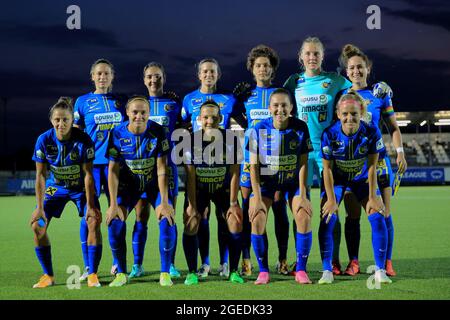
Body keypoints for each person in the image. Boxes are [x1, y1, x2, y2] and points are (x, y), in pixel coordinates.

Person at [337, 44, 407, 277]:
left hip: (378, 162)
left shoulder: (379, 94)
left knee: (384, 212)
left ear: (368, 69)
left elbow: (393, 128)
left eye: (360, 67)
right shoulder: (343, 97)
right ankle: (353, 262)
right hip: (351, 165)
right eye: (352, 68)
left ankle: (386, 262)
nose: (356, 71)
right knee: (353, 215)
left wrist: (400, 151)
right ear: (346, 72)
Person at [318, 91, 392, 285]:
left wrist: (373, 196)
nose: (349, 118)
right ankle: (326, 270)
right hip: (338, 181)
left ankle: (380, 270)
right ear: (338, 114)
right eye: (345, 114)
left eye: (354, 114)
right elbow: (327, 170)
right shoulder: (329, 134)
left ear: (361, 113)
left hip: (361, 180)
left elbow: (372, 166)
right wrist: (332, 200)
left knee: (377, 216)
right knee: (327, 217)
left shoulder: (371, 132)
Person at [30, 97, 102, 288]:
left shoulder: (83, 139)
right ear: (52, 120)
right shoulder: (43, 140)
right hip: (57, 188)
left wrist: (92, 205)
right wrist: (39, 208)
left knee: (93, 221)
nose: (61, 124)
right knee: (38, 226)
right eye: (57, 120)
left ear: (72, 121)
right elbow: (40, 176)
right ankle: (48, 276)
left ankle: (92, 274)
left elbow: (88, 175)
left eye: (65, 120)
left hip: (80, 188)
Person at [106, 96, 176, 287]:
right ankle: (121, 273)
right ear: (127, 113)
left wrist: (164, 201)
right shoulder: (117, 133)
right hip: (129, 186)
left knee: (167, 218)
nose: (139, 116)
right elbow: (112, 170)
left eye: (143, 112)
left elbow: (162, 168)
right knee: (114, 220)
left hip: (153, 184)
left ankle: (165, 272)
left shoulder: (157, 131)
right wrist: (112, 204)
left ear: (149, 113)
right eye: (135, 112)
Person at [233, 45, 290, 276]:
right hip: (251, 159)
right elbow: (236, 119)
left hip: (277, 159)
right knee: (250, 209)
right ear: (252, 69)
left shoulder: (282, 93)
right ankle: (248, 259)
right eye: (258, 65)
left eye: (266, 65)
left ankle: (283, 258)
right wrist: (237, 102)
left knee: (279, 207)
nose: (262, 69)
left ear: (272, 68)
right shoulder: (246, 96)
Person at [248, 88, 313, 285]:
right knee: (257, 218)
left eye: (284, 105)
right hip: (267, 185)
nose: (280, 109)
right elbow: (254, 166)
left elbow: (303, 162)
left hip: (292, 184)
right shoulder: (257, 130)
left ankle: (301, 270)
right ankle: (264, 271)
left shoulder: (300, 127)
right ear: (269, 108)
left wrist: (302, 193)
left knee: (303, 215)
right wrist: (257, 198)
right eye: (275, 105)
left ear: (291, 107)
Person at [126, 62, 183, 280]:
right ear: (144, 80)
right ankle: (137, 264)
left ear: (163, 78)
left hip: (167, 167)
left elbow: (185, 126)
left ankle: (170, 265)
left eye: (158, 76)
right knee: (141, 216)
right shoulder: (138, 106)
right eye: (150, 76)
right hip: (142, 169)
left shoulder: (173, 103)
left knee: (169, 216)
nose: (153, 80)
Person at [181, 58, 237, 277]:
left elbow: (242, 118)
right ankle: (201, 265)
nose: (208, 75)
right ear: (199, 74)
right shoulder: (188, 100)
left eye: (212, 71)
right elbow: (179, 123)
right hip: (200, 170)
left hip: (221, 172)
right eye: (204, 71)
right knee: (196, 217)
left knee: (229, 219)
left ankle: (227, 265)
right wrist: (192, 204)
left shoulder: (229, 99)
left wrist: (234, 202)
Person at [180, 100, 244, 285]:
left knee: (235, 220)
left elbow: (234, 172)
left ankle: (233, 270)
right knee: (191, 221)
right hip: (199, 189)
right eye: (206, 117)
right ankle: (192, 271)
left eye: (214, 117)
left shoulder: (231, 139)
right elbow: (190, 176)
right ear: (199, 119)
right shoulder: (190, 140)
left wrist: (233, 203)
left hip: (222, 189)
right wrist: (192, 206)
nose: (210, 121)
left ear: (220, 119)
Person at [74, 59, 127, 279]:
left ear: (112, 76)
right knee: (90, 215)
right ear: (92, 76)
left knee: (118, 212)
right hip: (91, 167)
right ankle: (89, 266)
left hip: (117, 165)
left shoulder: (120, 102)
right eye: (99, 74)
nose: (102, 77)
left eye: (106, 74)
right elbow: (75, 134)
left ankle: (117, 263)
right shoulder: (82, 102)